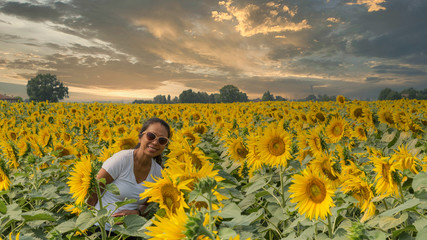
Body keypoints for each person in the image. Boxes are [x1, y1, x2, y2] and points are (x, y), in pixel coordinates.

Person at [87, 117, 171, 230]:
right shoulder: (122, 159)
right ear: (140, 137)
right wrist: (90, 223)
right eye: (151, 136)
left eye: (162, 140)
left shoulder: (158, 174)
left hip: (130, 232)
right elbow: (94, 190)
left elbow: (147, 205)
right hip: (100, 228)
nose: (155, 142)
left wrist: (137, 213)